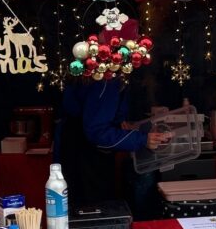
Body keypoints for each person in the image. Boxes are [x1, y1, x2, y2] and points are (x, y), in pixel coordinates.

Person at [57, 19, 169, 207]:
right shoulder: (104, 79)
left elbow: (92, 113)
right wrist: (142, 140)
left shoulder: (94, 71)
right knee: (91, 213)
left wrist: (120, 124)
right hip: (84, 158)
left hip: (75, 148)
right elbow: (96, 131)